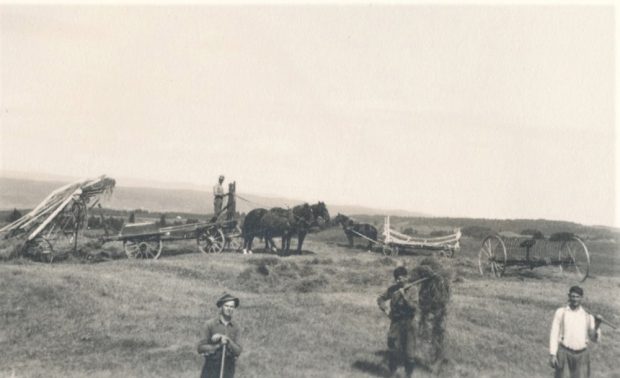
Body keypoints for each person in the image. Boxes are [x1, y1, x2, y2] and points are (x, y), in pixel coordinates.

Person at [549, 285, 602, 378]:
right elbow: (554, 334)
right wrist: (553, 354)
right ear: (569, 296)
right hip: (564, 353)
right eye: (573, 296)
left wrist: (597, 325)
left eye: (577, 297)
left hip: (582, 355)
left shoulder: (587, 316)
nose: (575, 299)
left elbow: (593, 338)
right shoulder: (561, 312)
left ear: (582, 298)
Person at [377, 266, 418, 378]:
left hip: (409, 323)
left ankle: (408, 375)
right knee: (393, 350)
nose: (398, 281)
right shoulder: (393, 289)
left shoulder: (413, 290)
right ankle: (392, 374)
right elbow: (380, 299)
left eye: (400, 278)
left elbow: (413, 307)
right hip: (396, 323)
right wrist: (386, 311)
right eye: (396, 279)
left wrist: (404, 295)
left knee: (409, 354)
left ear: (406, 277)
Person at [197, 293, 243, 378]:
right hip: (210, 367)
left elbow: (238, 351)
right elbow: (200, 348)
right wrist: (218, 346)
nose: (229, 309)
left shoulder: (236, 327)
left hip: (228, 368)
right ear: (221, 307)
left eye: (232, 307)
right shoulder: (209, 324)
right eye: (226, 306)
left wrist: (227, 340)